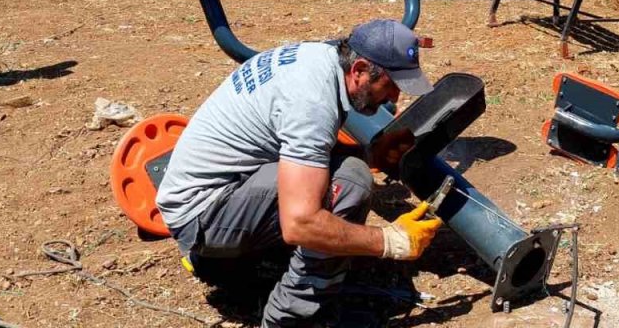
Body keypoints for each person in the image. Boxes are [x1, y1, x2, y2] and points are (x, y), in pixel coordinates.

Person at [156, 19, 444, 328]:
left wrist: (371, 153)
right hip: (204, 215)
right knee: (349, 184)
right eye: (390, 86)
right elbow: (300, 223)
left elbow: (306, 154)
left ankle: (229, 266)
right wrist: (389, 241)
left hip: (211, 194)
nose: (394, 99)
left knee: (342, 170)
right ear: (359, 70)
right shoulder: (312, 99)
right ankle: (290, 318)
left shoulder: (321, 58)